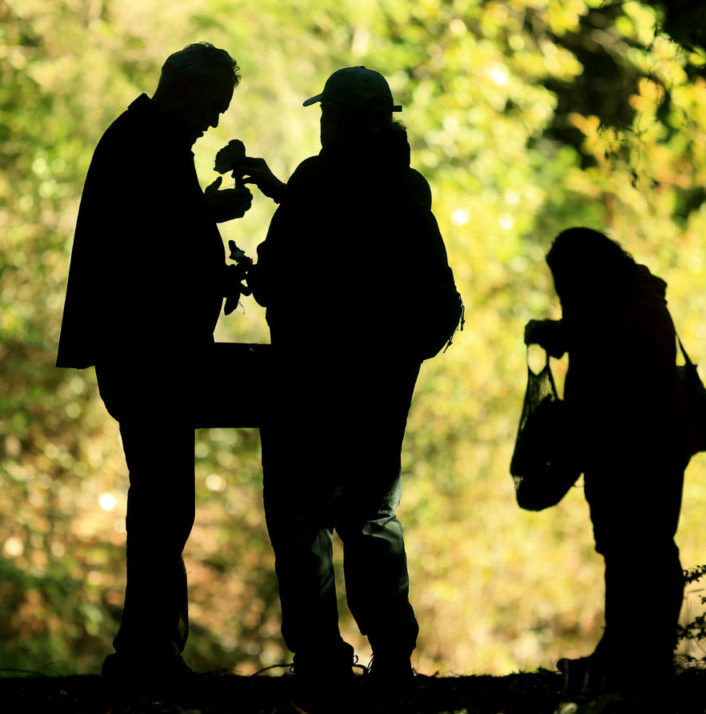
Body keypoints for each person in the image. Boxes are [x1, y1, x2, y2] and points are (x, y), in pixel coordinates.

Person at [56, 42, 276, 691]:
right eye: (211, 106)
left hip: (155, 358)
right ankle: (148, 653)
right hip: (149, 360)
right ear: (181, 90)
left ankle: (149, 649)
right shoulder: (140, 146)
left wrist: (209, 258)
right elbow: (140, 246)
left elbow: (153, 237)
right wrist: (206, 217)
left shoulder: (146, 144)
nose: (213, 122)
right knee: (163, 503)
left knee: (163, 501)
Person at [248, 66, 463, 683]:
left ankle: (320, 657)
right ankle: (393, 652)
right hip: (384, 377)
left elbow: (280, 275)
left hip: (308, 374)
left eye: (327, 114)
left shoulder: (319, 181)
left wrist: (251, 274)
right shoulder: (405, 186)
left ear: (338, 118)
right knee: (371, 511)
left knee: (300, 510)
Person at [524, 227, 696, 693]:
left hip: (638, 443)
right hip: (628, 441)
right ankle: (626, 651)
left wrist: (556, 333)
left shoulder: (625, 302)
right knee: (628, 549)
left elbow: (609, 350)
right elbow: (599, 343)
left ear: (581, 272)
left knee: (644, 548)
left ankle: (648, 657)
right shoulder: (629, 295)